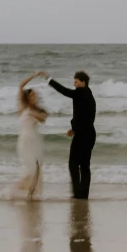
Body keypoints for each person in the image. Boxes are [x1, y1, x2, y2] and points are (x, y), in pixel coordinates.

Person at [39, 70, 96, 199]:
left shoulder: (80, 93)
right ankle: (83, 194)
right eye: (74, 82)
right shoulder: (88, 93)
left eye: (76, 82)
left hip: (83, 135)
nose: (74, 84)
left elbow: (63, 90)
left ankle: (77, 193)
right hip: (89, 133)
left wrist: (48, 79)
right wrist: (74, 129)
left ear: (83, 82)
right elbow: (86, 116)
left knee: (73, 164)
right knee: (84, 165)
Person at [11, 72, 48, 201]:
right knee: (29, 170)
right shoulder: (22, 107)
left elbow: (44, 118)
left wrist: (37, 114)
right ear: (27, 97)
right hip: (25, 142)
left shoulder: (37, 110)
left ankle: (31, 195)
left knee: (37, 170)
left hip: (35, 141)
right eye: (32, 95)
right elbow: (21, 85)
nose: (34, 97)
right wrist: (34, 75)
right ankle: (12, 191)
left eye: (35, 96)